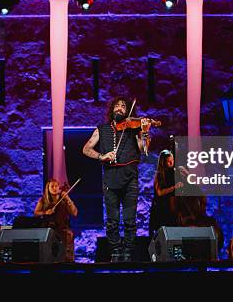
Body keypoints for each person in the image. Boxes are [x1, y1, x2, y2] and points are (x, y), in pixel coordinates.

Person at [82, 97, 152, 262]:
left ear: (128, 111)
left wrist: (146, 131)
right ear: (112, 109)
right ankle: (114, 249)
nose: (120, 108)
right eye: (117, 105)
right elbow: (86, 149)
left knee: (130, 219)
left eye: (124, 106)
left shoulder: (134, 129)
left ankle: (128, 250)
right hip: (110, 179)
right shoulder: (102, 129)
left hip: (130, 179)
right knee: (112, 220)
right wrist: (101, 156)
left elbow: (145, 149)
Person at [34, 179, 78, 262]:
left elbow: (74, 213)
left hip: (63, 229)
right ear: (48, 188)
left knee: (68, 236)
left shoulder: (64, 200)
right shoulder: (43, 200)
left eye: (56, 186)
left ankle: (67, 261)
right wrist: (45, 212)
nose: (55, 188)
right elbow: (36, 213)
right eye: (52, 186)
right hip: (48, 229)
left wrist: (68, 199)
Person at [148, 150, 184, 236]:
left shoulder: (175, 172)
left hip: (172, 207)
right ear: (163, 162)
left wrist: (186, 173)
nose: (172, 163)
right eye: (169, 161)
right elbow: (159, 192)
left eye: (173, 160)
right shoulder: (159, 174)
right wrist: (174, 188)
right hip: (162, 208)